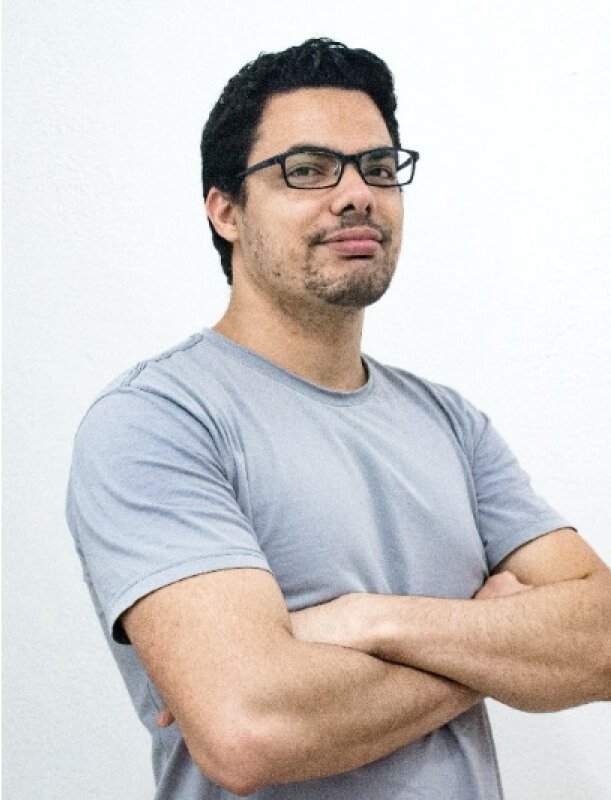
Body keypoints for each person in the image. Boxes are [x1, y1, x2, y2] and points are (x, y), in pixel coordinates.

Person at [65, 38, 610, 799]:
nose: (357, 194)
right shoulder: (157, 421)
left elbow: (602, 639)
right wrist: (487, 643)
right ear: (225, 210)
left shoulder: (450, 424)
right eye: (308, 169)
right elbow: (253, 731)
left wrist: (366, 620)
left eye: (378, 168)